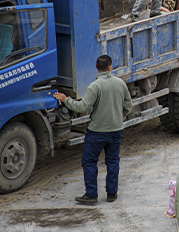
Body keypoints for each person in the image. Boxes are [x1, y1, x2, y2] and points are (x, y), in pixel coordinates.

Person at [52, 55, 133, 204]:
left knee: (89, 161)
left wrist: (65, 99)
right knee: (113, 161)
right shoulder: (120, 83)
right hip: (116, 131)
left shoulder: (95, 86)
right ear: (110, 67)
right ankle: (112, 194)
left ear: (96, 67)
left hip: (97, 132)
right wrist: (118, 118)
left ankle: (91, 195)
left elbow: (82, 107)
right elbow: (128, 106)